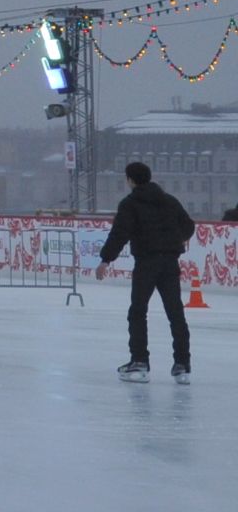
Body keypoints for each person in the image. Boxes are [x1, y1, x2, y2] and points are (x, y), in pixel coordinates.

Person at [95, 160, 194, 384]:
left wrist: (105, 260)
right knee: (175, 312)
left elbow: (120, 233)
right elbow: (188, 225)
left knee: (138, 311)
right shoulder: (169, 201)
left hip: (147, 262)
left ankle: (139, 361)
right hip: (169, 261)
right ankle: (183, 365)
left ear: (130, 180)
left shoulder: (130, 204)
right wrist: (176, 240)